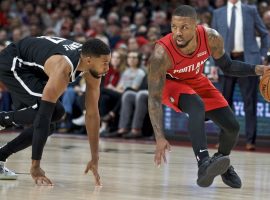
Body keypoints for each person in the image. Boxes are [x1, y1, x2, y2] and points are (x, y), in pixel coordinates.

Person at [148, 5, 270, 188]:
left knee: (232, 127)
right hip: (170, 84)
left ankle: (221, 162)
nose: (178, 32)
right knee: (196, 105)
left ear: (196, 25)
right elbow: (154, 98)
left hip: (196, 79)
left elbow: (227, 66)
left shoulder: (211, 38)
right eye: (174, 27)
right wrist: (159, 137)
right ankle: (204, 164)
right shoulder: (161, 53)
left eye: (184, 27)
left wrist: (258, 69)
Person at [0, 36, 111, 185]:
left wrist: (95, 158)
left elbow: (92, 114)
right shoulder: (63, 67)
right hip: (14, 62)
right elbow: (44, 115)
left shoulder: (92, 68)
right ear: (89, 60)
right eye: (105, 63)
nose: (107, 68)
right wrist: (35, 166)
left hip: (35, 66)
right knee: (53, 113)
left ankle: (1, 154)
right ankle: (2, 120)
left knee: (50, 125)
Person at [211, 0, 269, 151]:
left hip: (248, 60)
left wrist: (262, 56)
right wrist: (212, 64)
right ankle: (224, 140)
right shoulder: (218, 13)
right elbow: (211, 41)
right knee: (223, 104)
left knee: (250, 103)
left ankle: (250, 141)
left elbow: (264, 33)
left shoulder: (251, 10)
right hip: (225, 61)